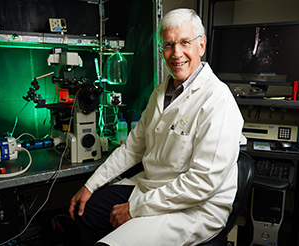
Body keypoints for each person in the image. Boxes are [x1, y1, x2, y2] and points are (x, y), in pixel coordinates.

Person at [69, 8, 244, 246]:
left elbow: (202, 183)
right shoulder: (162, 92)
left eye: (185, 42)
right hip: (153, 187)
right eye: (168, 45)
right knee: (84, 211)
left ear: (201, 45)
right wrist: (91, 185)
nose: (176, 53)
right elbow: (132, 148)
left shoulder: (218, 101)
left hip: (194, 208)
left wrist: (135, 209)